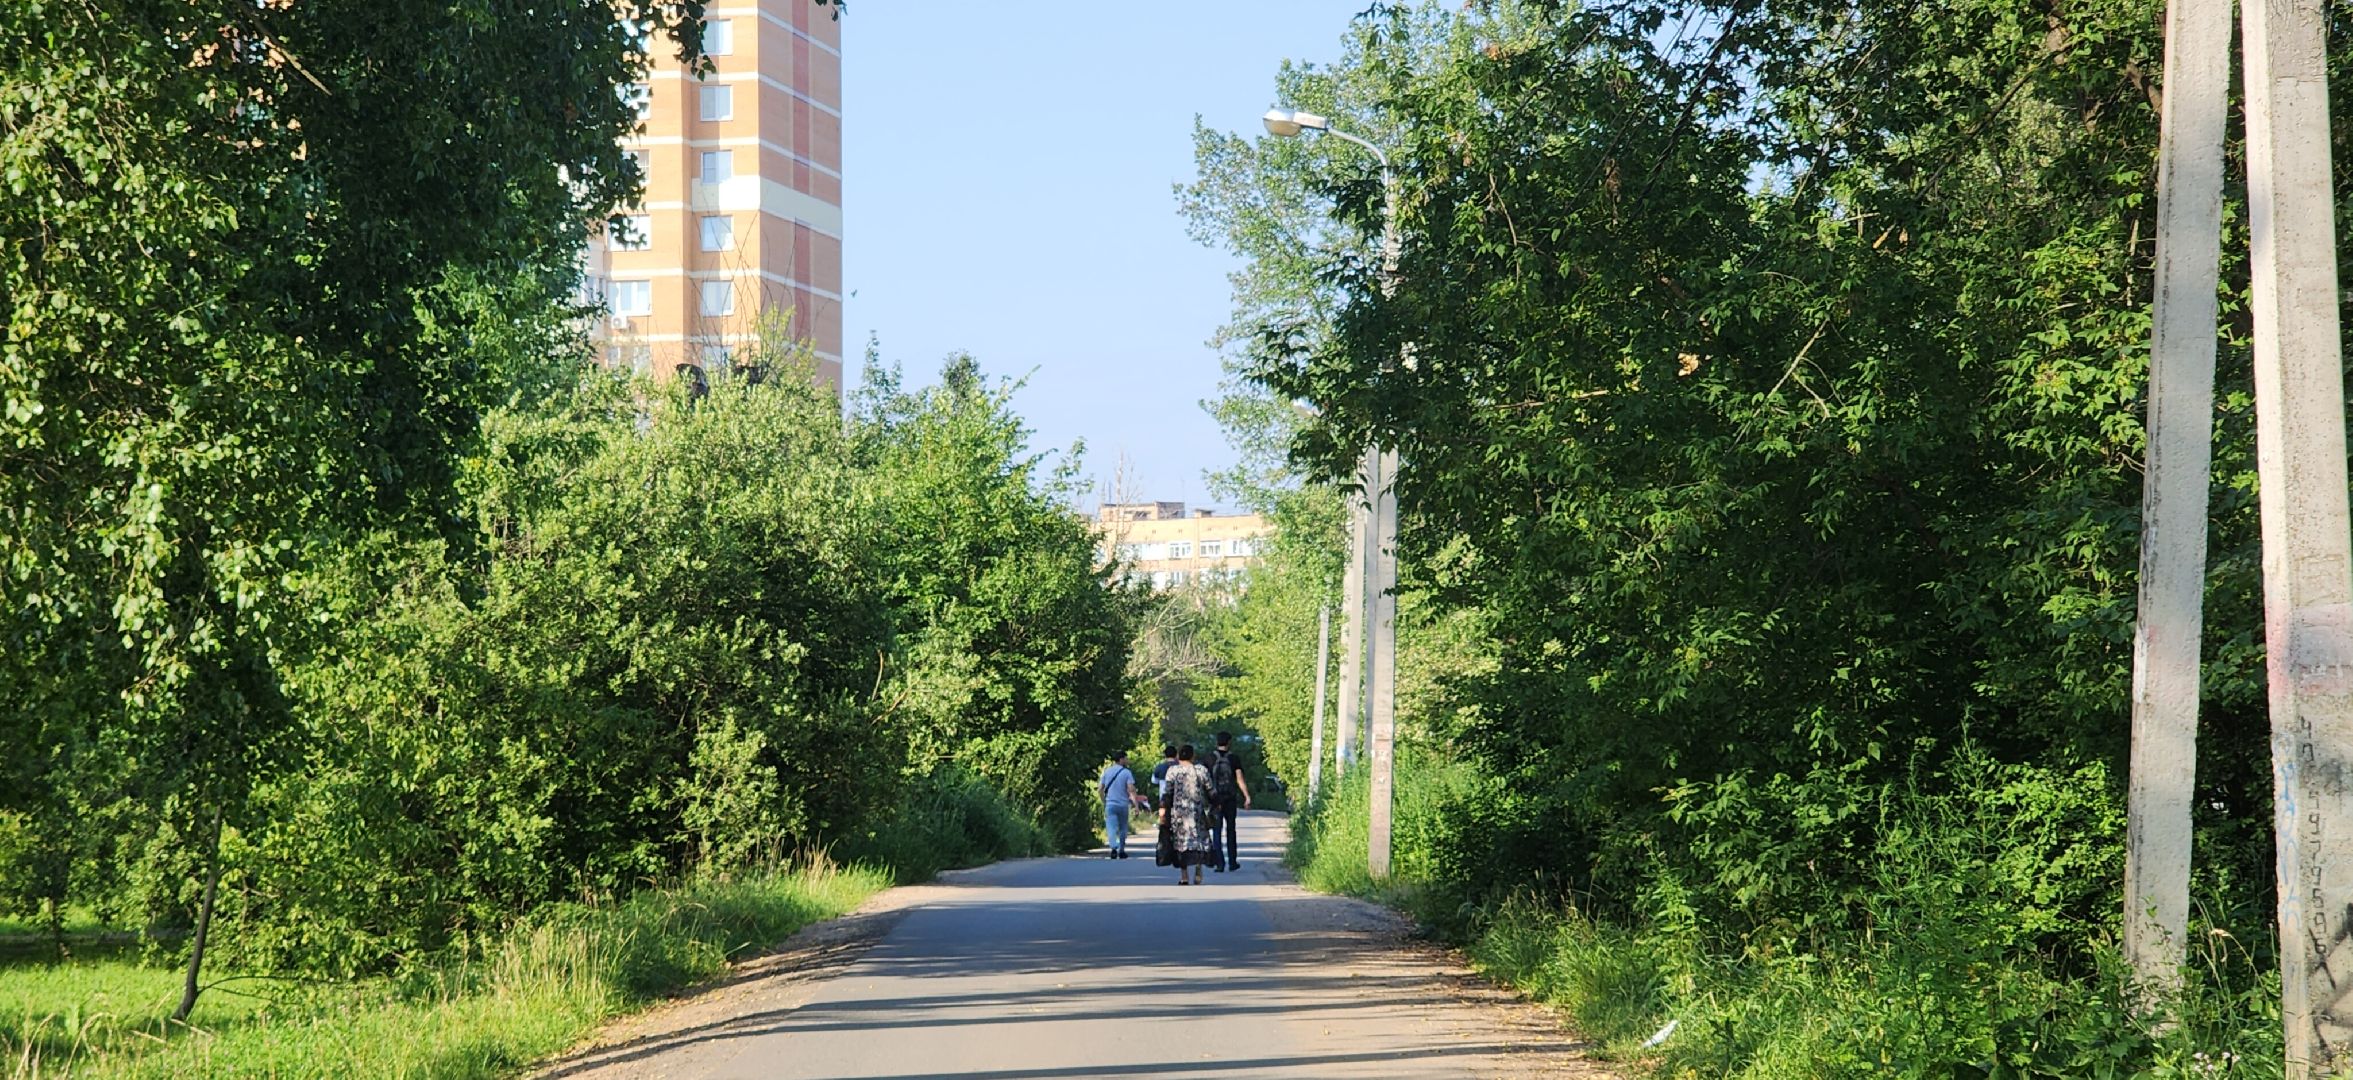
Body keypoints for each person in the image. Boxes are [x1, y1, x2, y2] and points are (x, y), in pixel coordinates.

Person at [1160, 744, 1215, 885]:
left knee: (1181, 844)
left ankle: (1184, 877)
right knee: (1199, 841)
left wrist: (1163, 810)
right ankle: (1198, 869)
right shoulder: (1201, 770)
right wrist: (1215, 805)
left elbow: (1167, 793)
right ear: (1193, 756)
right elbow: (1211, 791)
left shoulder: (1173, 771)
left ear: (1178, 756)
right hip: (1197, 813)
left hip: (1179, 814)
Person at [1207, 731, 1252, 872]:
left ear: (1217, 742)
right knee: (1231, 830)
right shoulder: (1234, 759)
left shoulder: (1209, 758)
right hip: (1230, 799)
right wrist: (1247, 796)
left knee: (1216, 831)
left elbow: (1205, 780)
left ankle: (1219, 863)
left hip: (1215, 800)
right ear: (1229, 742)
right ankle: (1233, 862)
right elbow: (1239, 779)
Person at [1097, 750, 1143, 860]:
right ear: (1121, 759)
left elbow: (1100, 789)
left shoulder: (1106, 772)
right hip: (1123, 804)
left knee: (1111, 827)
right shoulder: (1127, 773)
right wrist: (1136, 806)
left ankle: (1113, 847)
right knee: (1123, 828)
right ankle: (1121, 850)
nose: (1127, 760)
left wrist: (1104, 801)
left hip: (1110, 804)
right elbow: (1131, 790)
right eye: (1126, 758)